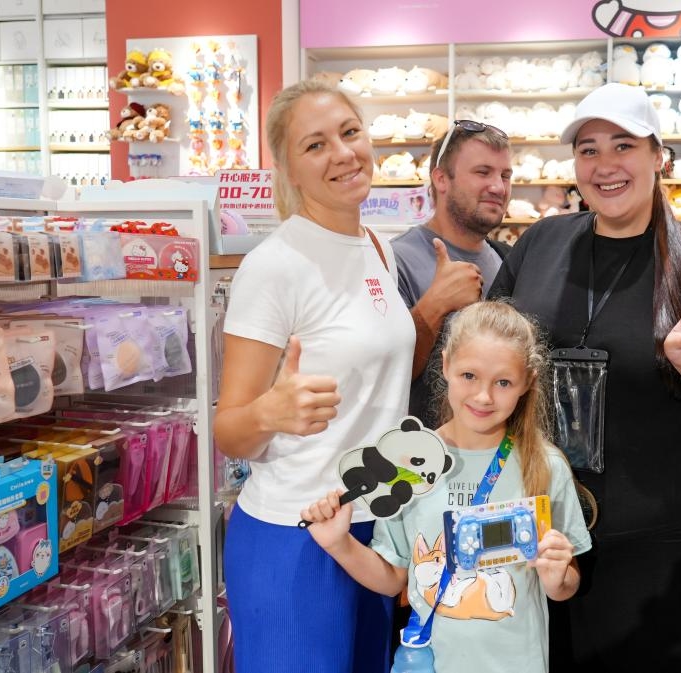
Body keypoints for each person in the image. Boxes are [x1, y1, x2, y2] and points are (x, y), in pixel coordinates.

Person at [487, 82, 681, 670]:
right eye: (587, 149)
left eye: (623, 145)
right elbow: (492, 354)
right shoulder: (541, 243)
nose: (605, 166)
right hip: (542, 519)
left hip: (662, 528)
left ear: (658, 155)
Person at [214, 80, 414, 673]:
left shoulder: (379, 245)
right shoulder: (272, 267)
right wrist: (269, 413)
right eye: (316, 145)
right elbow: (230, 430)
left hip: (374, 528)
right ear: (289, 170)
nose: (343, 154)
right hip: (293, 535)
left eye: (350, 133)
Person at [300, 300, 593, 673]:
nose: (484, 396)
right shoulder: (405, 465)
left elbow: (566, 586)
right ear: (446, 366)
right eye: (469, 376)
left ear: (527, 383)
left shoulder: (545, 466)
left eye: (503, 382)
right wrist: (337, 543)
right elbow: (392, 579)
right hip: (428, 663)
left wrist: (558, 577)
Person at [391, 120, 513, 429]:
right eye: (482, 172)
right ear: (442, 179)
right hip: (421, 463)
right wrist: (435, 305)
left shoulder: (507, 258)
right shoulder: (395, 259)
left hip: (495, 461)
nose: (498, 187)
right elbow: (385, 377)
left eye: (505, 175)